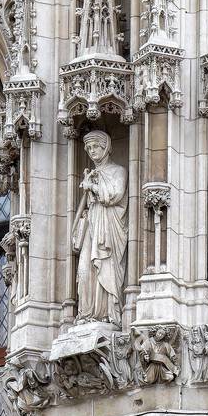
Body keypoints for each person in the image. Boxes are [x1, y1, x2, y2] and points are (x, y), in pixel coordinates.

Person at [72, 130, 128, 323]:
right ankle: (87, 314)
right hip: (93, 225)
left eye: (95, 146)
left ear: (106, 147)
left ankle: (105, 314)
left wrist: (92, 187)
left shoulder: (118, 171)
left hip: (109, 230)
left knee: (105, 267)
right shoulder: (92, 174)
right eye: (88, 148)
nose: (91, 151)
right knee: (85, 270)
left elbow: (115, 195)